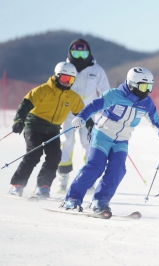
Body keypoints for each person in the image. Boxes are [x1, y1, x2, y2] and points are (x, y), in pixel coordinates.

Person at [61, 67, 159, 214]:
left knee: (118, 169)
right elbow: (95, 105)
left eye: (149, 87)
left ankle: (100, 201)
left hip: (122, 140)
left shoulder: (146, 103)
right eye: (143, 86)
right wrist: (82, 117)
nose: (146, 91)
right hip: (102, 135)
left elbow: (155, 120)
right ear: (132, 84)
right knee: (95, 166)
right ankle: (72, 199)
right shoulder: (115, 95)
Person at [8, 62, 92, 198]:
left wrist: (92, 126)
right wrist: (19, 120)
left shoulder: (72, 97)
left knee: (54, 156)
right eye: (65, 78)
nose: (67, 82)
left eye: (71, 80)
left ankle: (43, 186)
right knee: (34, 153)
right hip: (34, 125)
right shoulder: (43, 90)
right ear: (57, 76)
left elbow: (83, 113)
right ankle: (17, 185)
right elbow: (25, 104)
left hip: (53, 129)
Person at [55, 38, 110, 193]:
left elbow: (106, 91)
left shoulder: (97, 70)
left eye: (83, 53)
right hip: (68, 113)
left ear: (89, 53)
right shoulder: (65, 68)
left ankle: (88, 180)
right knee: (66, 142)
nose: (79, 57)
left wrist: (107, 109)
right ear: (70, 53)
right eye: (76, 53)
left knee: (88, 144)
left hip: (88, 114)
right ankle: (63, 179)